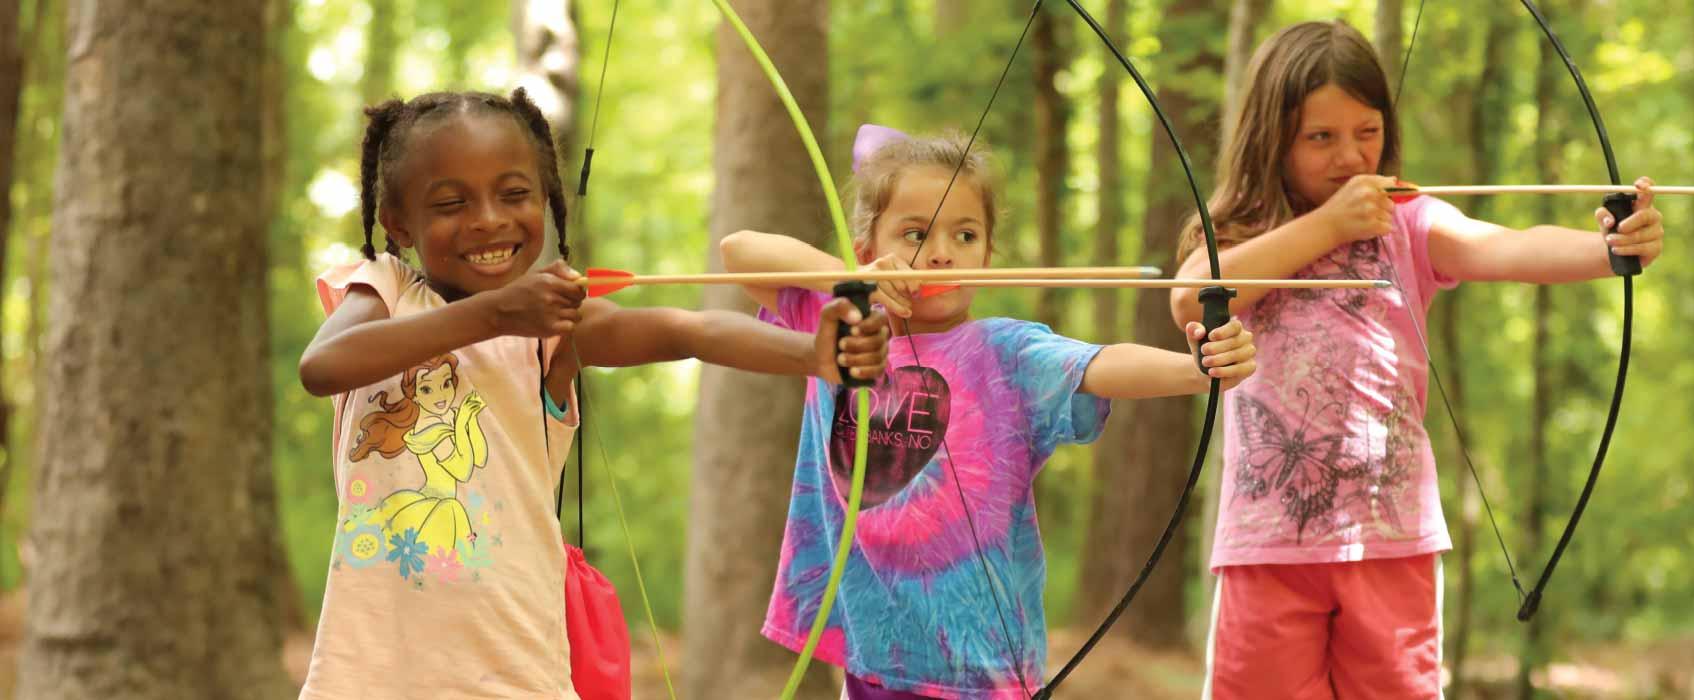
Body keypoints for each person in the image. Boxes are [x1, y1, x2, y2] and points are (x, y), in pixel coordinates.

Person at [297, 88, 891, 699]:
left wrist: (813, 355)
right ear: (398, 221)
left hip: (516, 670)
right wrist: (496, 314)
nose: (488, 219)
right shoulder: (384, 290)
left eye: (514, 194)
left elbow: (686, 330)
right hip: (368, 673)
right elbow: (322, 367)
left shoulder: (552, 331)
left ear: (545, 202)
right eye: (451, 202)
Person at [1166, 21, 1667, 699]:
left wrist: (1608, 249)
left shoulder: (1407, 222)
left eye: (1366, 132)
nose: (1350, 155)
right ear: (1272, 138)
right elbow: (1194, 295)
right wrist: (1329, 225)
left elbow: (1505, 246)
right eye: (1322, 137)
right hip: (1268, 546)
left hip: (1391, 539)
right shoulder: (1241, 239)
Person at [720, 125, 1261, 699]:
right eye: (914, 233)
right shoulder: (838, 328)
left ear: (988, 256)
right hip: (873, 653)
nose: (940, 252)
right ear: (866, 252)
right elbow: (739, 251)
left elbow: (1100, 364)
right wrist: (850, 283)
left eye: (966, 234)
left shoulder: (1007, 351)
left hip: (981, 665)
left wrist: (1197, 369)